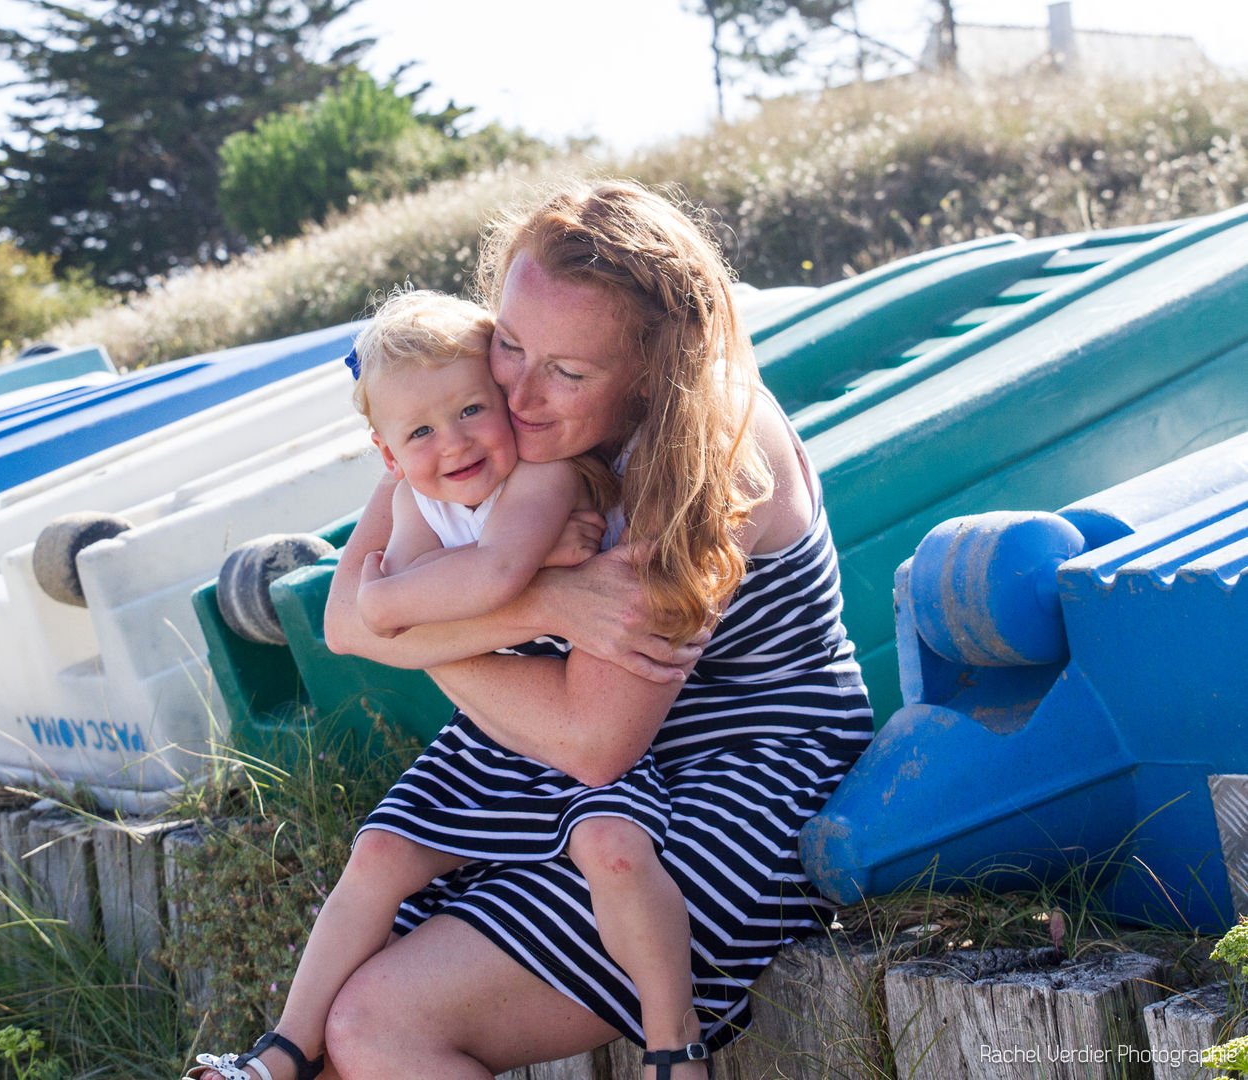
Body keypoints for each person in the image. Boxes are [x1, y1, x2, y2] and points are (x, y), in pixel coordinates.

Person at [229, 178, 871, 1080]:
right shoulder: (477, 414)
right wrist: (539, 608)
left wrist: (437, 627)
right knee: (340, 1019)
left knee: (378, 1027)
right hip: (566, 762)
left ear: (654, 372)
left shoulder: (705, 453)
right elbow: (345, 619)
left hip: (740, 766)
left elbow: (593, 738)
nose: (520, 396)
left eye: (566, 372)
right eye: (512, 343)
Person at [187, 289, 701, 1080]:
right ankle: (283, 1048)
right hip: (489, 739)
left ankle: (673, 1045)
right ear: (387, 454)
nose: (453, 443)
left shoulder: (546, 478)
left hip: (556, 720)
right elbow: (379, 609)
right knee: (381, 852)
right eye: (421, 432)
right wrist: (423, 594)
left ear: (507, 404)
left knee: (617, 850)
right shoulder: (413, 494)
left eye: (470, 410)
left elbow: (475, 578)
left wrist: (391, 598)